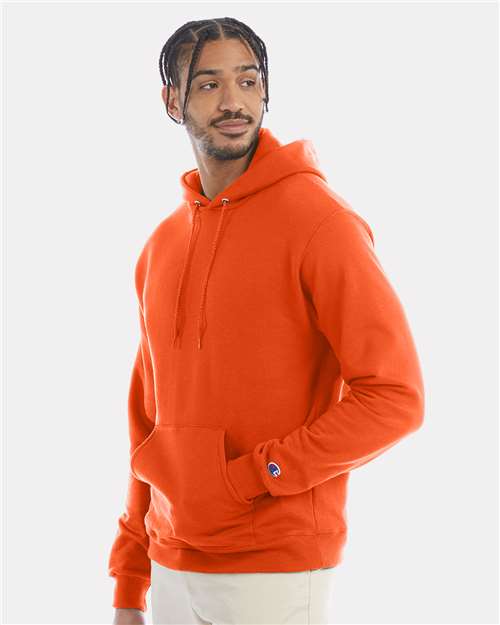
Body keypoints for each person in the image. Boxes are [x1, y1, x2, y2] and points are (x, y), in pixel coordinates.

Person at [108, 16, 425, 625]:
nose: (233, 102)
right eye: (209, 84)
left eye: (248, 81)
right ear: (172, 101)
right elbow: (147, 422)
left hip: (274, 569)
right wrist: (130, 577)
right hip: (171, 563)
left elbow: (395, 397)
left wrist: (259, 474)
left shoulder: (320, 224)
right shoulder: (161, 246)